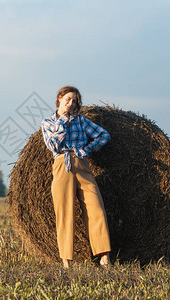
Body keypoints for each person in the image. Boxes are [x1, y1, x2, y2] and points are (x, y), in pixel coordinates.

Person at [41, 85, 112, 268]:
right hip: (62, 164)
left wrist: (87, 149)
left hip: (82, 163)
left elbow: (103, 135)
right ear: (59, 99)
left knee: (96, 208)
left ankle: (104, 256)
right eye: (68, 100)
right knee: (65, 213)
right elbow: (54, 145)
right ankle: (66, 260)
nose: (71, 104)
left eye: (74, 101)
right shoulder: (48, 122)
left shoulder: (81, 120)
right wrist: (63, 121)